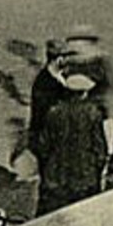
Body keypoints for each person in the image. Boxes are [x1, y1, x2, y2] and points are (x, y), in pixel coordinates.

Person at [34, 73, 108, 215]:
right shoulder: (92, 113)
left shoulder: (53, 112)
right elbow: (100, 148)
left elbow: (43, 146)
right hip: (84, 176)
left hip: (56, 177)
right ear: (83, 93)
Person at [22, 38, 74, 166]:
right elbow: (46, 114)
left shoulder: (58, 77)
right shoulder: (44, 83)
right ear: (58, 59)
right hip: (48, 141)